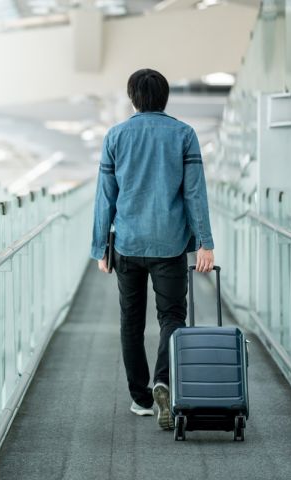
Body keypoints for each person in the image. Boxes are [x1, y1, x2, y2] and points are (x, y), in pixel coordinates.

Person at [90, 68, 215, 431]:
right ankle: (164, 380)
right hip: (170, 243)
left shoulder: (116, 136)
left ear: (133, 97)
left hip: (128, 244)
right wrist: (205, 242)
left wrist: (101, 247)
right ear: (165, 97)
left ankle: (141, 399)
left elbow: (104, 197)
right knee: (172, 317)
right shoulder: (184, 135)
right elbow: (195, 193)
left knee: (131, 321)